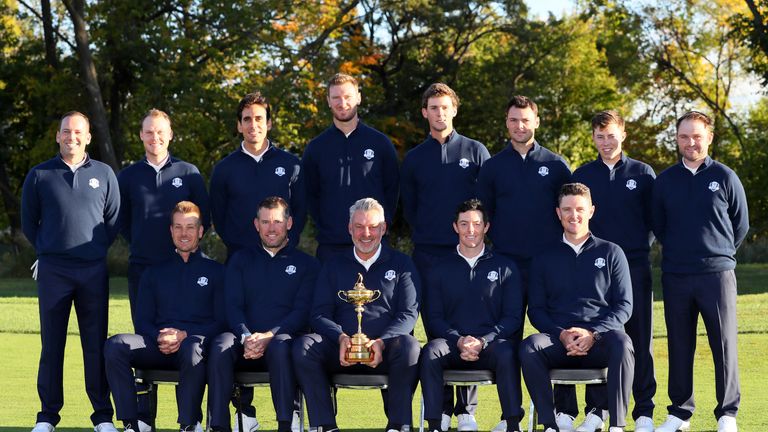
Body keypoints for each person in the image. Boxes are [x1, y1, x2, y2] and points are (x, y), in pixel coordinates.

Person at [551, 111, 656, 432]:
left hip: (635, 266)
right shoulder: (583, 175)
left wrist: (634, 250)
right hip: (592, 270)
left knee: (638, 340)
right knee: (596, 333)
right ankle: (597, 409)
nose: (606, 142)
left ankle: (643, 411)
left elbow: (655, 220)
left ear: (622, 134)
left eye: (611, 135)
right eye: (599, 136)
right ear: (593, 138)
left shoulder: (643, 173)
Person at [400, 83, 491, 432]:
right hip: (427, 254)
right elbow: (409, 207)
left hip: (467, 252)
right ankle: (434, 409)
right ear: (425, 112)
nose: (440, 113)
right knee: (434, 329)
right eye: (433, 108)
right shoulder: (414, 158)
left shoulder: (475, 150)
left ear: (455, 110)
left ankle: (466, 410)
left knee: (468, 322)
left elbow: (483, 204)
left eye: (445, 107)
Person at [22, 111, 120, 432]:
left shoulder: (104, 174)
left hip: (92, 270)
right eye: (66, 131)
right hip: (54, 272)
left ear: (89, 137)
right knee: (52, 345)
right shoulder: (40, 175)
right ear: (58, 136)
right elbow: (28, 222)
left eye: (78, 132)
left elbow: (112, 221)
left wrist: (91, 251)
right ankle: (48, 416)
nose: (72, 137)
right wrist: (48, 252)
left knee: (95, 344)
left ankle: (102, 416)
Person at [477, 96, 570, 432]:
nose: (520, 126)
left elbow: (570, 213)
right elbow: (483, 215)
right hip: (506, 267)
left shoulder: (556, 164)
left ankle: (563, 412)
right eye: (514, 120)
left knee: (557, 337)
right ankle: (511, 415)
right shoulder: (492, 167)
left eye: (525, 120)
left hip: (548, 266)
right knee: (508, 343)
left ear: (536, 121)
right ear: (507, 123)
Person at [652, 111, 748, 432]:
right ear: (677, 139)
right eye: (684, 136)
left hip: (717, 275)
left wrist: (716, 254)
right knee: (680, 344)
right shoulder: (664, 181)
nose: (691, 142)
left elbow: (740, 225)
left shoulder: (725, 177)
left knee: (723, 343)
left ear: (709, 137)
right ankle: (680, 413)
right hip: (676, 275)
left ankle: (727, 413)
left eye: (697, 136)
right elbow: (659, 227)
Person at [293, 198, 420, 432]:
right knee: (304, 345)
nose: (366, 233)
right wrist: (341, 338)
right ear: (350, 229)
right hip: (340, 350)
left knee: (410, 346)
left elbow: (408, 313)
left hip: (387, 351)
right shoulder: (332, 265)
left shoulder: (402, 264)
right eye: (359, 226)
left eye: (373, 227)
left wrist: (381, 343)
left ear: (383, 229)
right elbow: (319, 313)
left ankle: (398, 425)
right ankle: (324, 425)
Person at [520, 183, 634, 432]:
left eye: (580, 209)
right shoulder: (543, 257)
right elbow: (536, 309)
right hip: (559, 341)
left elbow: (624, 306)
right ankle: (551, 423)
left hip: (600, 340)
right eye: (567, 209)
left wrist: (593, 334)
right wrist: (561, 333)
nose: (574, 215)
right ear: (558, 213)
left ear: (591, 211)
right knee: (530, 347)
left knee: (623, 343)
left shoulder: (612, 252)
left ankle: (615, 424)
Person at [104, 201, 225, 432]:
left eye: (190, 227)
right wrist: (160, 337)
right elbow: (142, 321)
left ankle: (189, 423)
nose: (184, 233)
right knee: (115, 345)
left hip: (195, 347)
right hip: (158, 344)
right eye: (178, 227)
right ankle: (132, 423)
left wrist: (184, 335)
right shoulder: (154, 272)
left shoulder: (217, 272)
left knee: (191, 347)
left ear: (200, 231)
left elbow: (221, 322)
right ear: (171, 231)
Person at [208, 197, 320, 432]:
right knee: (220, 344)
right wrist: (247, 336)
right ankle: (219, 425)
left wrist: (270, 335)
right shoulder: (239, 260)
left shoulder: (307, 264)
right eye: (265, 222)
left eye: (277, 221)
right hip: (245, 340)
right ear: (256, 224)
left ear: (289, 223)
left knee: (280, 346)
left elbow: (302, 312)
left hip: (284, 340)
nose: (271, 228)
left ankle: (285, 423)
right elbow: (233, 306)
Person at [420, 199, 525, 432]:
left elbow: (512, 317)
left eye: (476, 224)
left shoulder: (505, 267)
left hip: (490, 345)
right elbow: (434, 317)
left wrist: (483, 340)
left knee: (508, 352)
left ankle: (512, 423)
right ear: (455, 227)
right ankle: (436, 424)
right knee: (430, 351)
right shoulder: (439, 268)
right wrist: (458, 340)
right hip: (452, 344)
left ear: (486, 227)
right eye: (464, 224)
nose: (471, 230)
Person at [117, 108, 210, 324]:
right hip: (142, 267)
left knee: (182, 333)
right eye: (149, 132)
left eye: (160, 132)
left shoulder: (188, 173)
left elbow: (205, 217)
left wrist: (186, 243)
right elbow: (120, 220)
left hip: (183, 267)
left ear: (170, 134)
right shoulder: (128, 176)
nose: (155, 138)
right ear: (141, 135)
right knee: (145, 335)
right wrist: (142, 240)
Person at [302, 73, 399, 262]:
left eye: (347, 96)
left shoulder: (380, 143)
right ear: (328, 101)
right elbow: (310, 194)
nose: (342, 102)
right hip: (331, 246)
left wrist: (377, 225)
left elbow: (392, 189)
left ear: (358, 98)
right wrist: (327, 225)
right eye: (336, 97)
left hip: (373, 243)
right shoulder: (316, 148)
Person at [210, 92, 306, 260]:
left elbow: (301, 208)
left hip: (282, 257)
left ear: (268, 123)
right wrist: (235, 243)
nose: (253, 125)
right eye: (247, 119)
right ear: (239, 125)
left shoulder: (291, 164)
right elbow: (218, 215)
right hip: (239, 259)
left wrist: (289, 242)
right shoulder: (223, 169)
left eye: (259, 118)